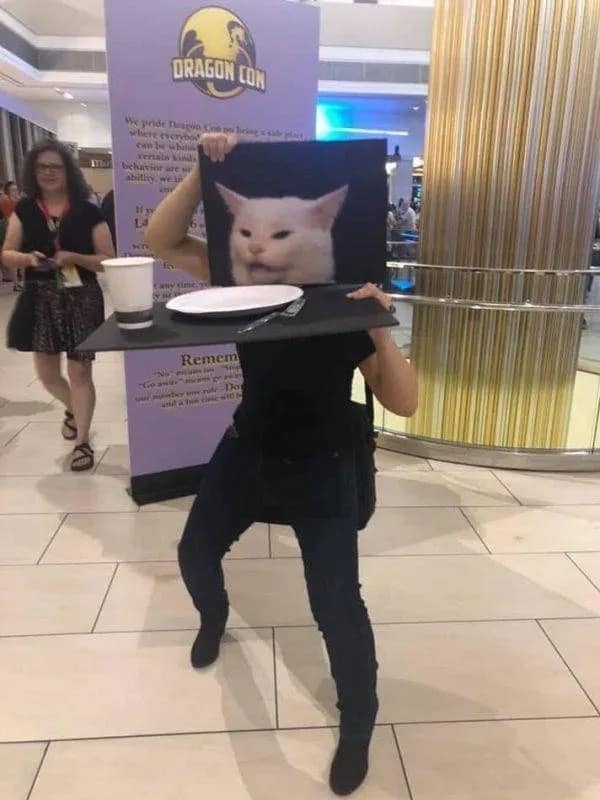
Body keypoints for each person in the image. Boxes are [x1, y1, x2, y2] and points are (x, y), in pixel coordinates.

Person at [145, 133, 418, 796]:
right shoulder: (242, 283)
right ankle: (214, 616)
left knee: (335, 605)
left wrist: (378, 322)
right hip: (249, 448)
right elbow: (160, 239)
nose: (267, 247)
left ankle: (360, 719)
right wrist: (204, 173)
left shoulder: (344, 304)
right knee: (194, 554)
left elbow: (404, 402)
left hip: (324, 463)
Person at [2, 140, 115, 471]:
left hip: (82, 298)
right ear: (32, 172)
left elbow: (108, 261)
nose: (48, 173)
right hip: (40, 297)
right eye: (42, 167)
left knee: (80, 372)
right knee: (47, 374)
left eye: (55, 166)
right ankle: (73, 409)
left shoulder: (88, 210)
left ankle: (82, 440)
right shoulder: (24, 210)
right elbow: (7, 252)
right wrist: (27, 258)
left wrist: (75, 257)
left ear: (68, 171)